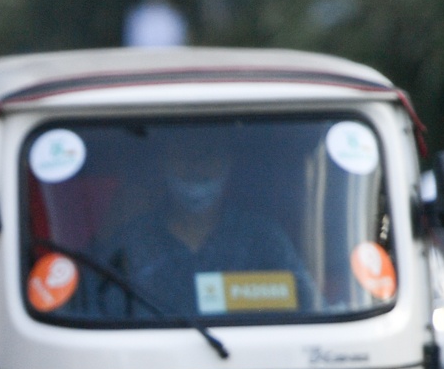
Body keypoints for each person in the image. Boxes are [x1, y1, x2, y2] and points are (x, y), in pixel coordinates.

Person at [84, 129, 316, 318]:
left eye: (207, 155)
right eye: (182, 156)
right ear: (163, 165)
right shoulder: (132, 243)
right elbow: (96, 315)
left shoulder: (263, 239)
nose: (195, 167)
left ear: (228, 162)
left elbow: (310, 309)